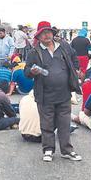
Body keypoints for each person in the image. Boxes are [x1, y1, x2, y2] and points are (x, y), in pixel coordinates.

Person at [25, 21, 82, 162]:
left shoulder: (63, 47)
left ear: (52, 33)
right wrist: (32, 71)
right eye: (43, 33)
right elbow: (26, 71)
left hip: (64, 93)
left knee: (64, 123)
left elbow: (75, 57)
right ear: (38, 36)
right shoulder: (34, 52)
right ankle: (48, 150)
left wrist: (76, 70)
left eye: (48, 32)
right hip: (45, 95)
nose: (46, 35)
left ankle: (67, 150)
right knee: (47, 124)